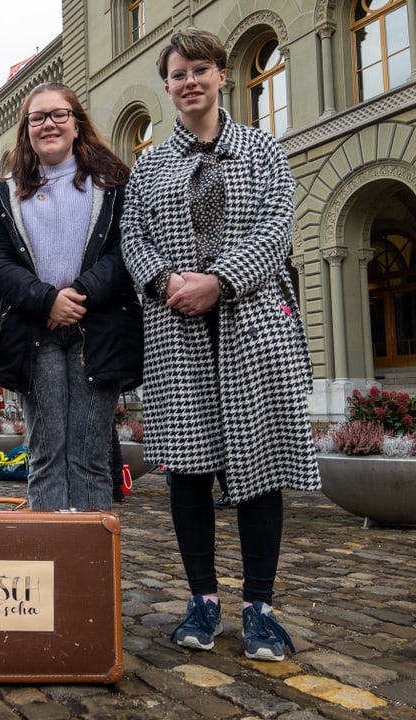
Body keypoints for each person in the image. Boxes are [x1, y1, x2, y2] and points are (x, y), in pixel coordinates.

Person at [120, 28, 320, 662]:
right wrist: (164, 279)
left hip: (252, 326)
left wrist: (221, 280)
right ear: (169, 85)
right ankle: (202, 599)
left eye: (200, 70)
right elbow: (132, 235)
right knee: (188, 466)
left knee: (259, 467)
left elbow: (276, 225)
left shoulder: (261, 150)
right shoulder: (151, 163)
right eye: (178, 74)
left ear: (222, 75)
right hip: (176, 330)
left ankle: (259, 607)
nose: (190, 82)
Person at [0, 82, 143, 511]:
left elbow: (123, 251)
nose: (48, 124)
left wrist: (78, 294)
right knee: (46, 455)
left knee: (91, 458)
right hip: (35, 334)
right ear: (26, 130)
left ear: (76, 124)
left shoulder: (112, 184)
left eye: (58, 115)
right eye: (37, 117)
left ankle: (90, 572)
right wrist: (45, 300)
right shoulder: (3, 194)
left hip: (99, 331)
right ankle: (49, 564)